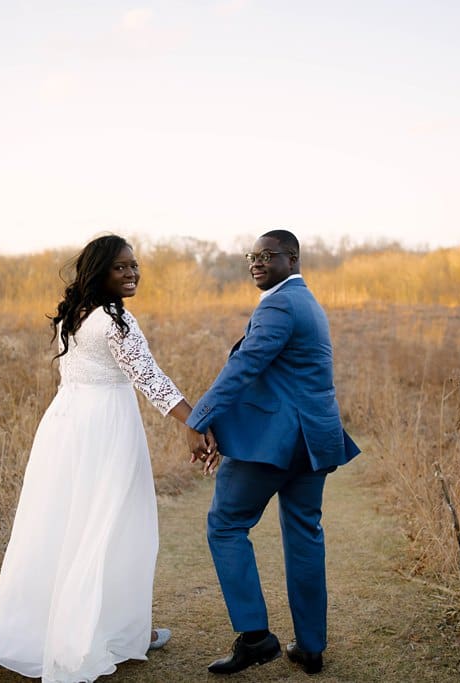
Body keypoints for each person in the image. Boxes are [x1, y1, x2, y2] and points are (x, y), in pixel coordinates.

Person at [0, 234, 218, 682]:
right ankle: (109, 633)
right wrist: (193, 423)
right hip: (103, 429)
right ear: (99, 271)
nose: (132, 273)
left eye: (134, 265)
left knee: (66, 524)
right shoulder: (116, 322)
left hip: (66, 426)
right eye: (121, 267)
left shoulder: (75, 315)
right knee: (113, 526)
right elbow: (149, 378)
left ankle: (101, 627)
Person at [185, 229, 360, 676]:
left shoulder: (281, 303)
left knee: (225, 526)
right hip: (313, 440)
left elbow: (245, 366)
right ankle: (311, 647)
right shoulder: (306, 302)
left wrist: (197, 418)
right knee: (304, 535)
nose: (256, 262)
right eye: (252, 255)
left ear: (293, 258)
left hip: (274, 443)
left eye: (267, 255)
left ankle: (256, 638)